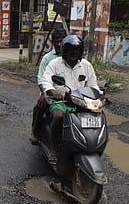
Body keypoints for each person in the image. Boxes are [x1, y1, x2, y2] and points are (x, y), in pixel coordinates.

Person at [40, 34, 100, 165]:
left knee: (95, 117)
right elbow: (45, 81)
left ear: (80, 52)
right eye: (71, 50)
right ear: (64, 51)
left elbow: (93, 85)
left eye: (77, 50)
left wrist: (100, 94)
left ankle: (90, 146)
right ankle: (54, 150)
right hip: (61, 102)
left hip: (81, 102)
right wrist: (53, 92)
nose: (74, 53)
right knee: (58, 116)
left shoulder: (86, 65)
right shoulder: (54, 64)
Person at [29, 29, 66, 145]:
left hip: (68, 94)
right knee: (40, 106)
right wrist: (45, 94)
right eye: (56, 41)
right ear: (52, 42)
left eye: (61, 41)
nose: (59, 44)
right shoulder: (47, 58)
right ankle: (35, 132)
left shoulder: (73, 57)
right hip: (50, 92)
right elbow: (41, 79)